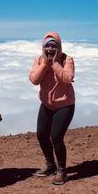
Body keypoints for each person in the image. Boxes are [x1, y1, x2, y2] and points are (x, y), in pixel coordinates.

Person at [28, 31, 75, 185]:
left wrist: (54, 63)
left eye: (53, 45)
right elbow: (34, 80)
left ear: (59, 47)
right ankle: (50, 166)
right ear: (43, 47)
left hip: (65, 105)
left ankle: (62, 171)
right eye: (47, 45)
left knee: (56, 136)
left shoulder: (67, 60)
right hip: (47, 105)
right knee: (41, 134)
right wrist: (45, 65)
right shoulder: (40, 60)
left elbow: (67, 79)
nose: (50, 49)